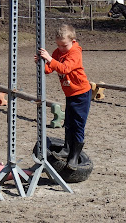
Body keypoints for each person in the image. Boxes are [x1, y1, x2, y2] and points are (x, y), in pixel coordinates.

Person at [35, 24, 92, 170]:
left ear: (73, 41)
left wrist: (49, 58)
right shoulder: (57, 52)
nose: (60, 48)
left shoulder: (75, 53)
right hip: (70, 94)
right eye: (58, 45)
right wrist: (42, 62)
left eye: (64, 45)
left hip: (81, 94)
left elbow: (64, 68)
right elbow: (49, 69)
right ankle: (67, 148)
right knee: (68, 122)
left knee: (78, 124)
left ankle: (74, 155)